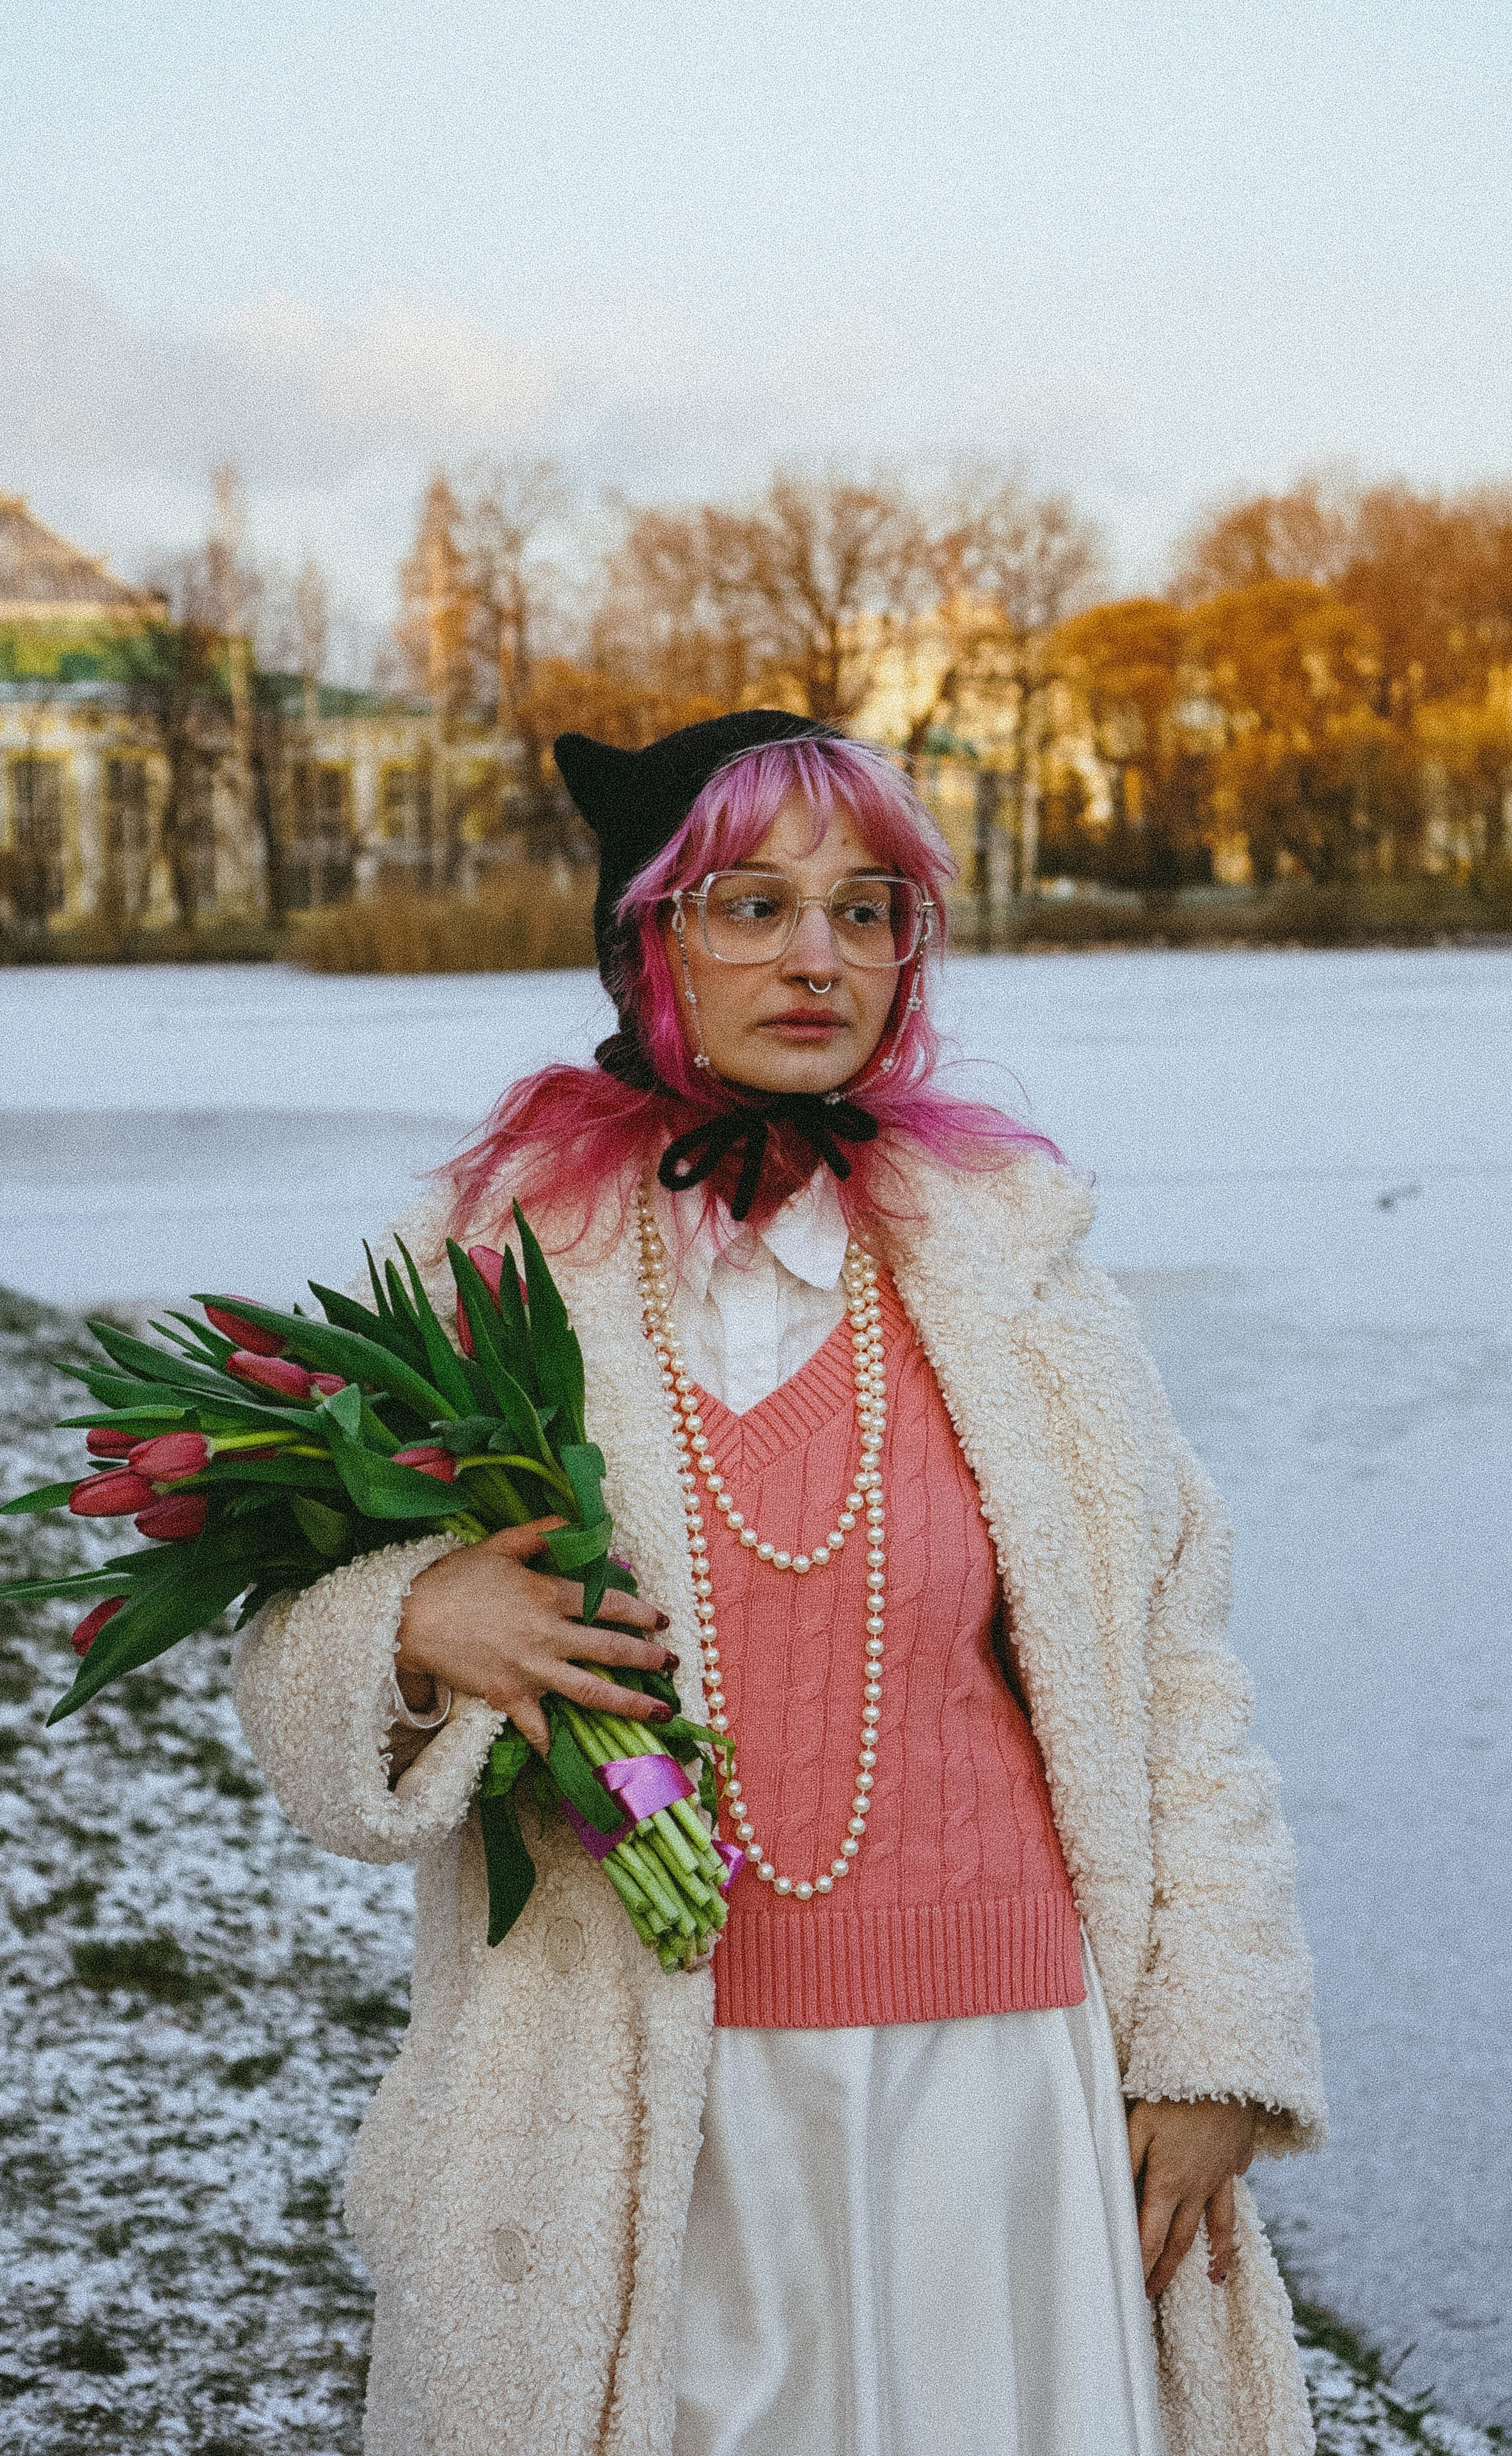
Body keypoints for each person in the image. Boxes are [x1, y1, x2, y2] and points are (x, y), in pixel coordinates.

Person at [234, 711, 1324, 2456]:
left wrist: (1214, 2053)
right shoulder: (493, 1269)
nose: (819, 955)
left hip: (1004, 2084)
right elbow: (294, 1649)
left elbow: (1178, 1674)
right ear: (645, 939)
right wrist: (418, 1626)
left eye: (869, 906)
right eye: (749, 903)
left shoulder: (1016, 1275)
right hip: (644, 2087)